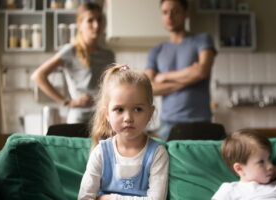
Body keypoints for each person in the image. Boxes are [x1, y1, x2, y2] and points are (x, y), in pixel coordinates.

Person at [78, 65, 169, 200]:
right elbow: (84, 197)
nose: (128, 118)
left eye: (137, 109)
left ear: (150, 113)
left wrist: (108, 198)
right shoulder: (100, 152)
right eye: (119, 109)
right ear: (107, 114)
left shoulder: (157, 153)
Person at [31, 2, 115, 124]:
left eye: (99, 20)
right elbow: (38, 76)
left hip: (103, 119)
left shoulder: (108, 55)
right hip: (79, 119)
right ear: (80, 24)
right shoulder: (70, 51)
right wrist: (67, 102)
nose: (96, 25)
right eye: (90, 20)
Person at [145, 0, 217, 141]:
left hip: (200, 122)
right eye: (165, 12)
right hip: (167, 125)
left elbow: (202, 71)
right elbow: (148, 88)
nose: (170, 16)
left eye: (175, 11)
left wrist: (164, 76)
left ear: (186, 13)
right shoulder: (156, 50)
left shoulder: (203, 40)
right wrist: (190, 77)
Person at [211, 130, 276, 200]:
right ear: (239, 168)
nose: (270, 165)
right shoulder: (230, 189)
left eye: (269, 159)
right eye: (261, 162)